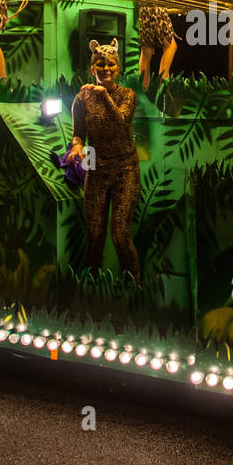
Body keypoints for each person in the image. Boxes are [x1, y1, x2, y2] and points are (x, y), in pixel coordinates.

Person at [69, 39, 141, 283]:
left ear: (118, 68)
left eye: (111, 64)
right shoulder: (82, 98)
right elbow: (78, 132)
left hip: (125, 170)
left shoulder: (127, 95)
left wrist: (104, 95)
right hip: (97, 170)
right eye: (101, 65)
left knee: (120, 234)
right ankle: (92, 288)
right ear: (93, 68)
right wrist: (77, 148)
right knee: (94, 234)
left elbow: (121, 120)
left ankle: (133, 287)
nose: (106, 69)